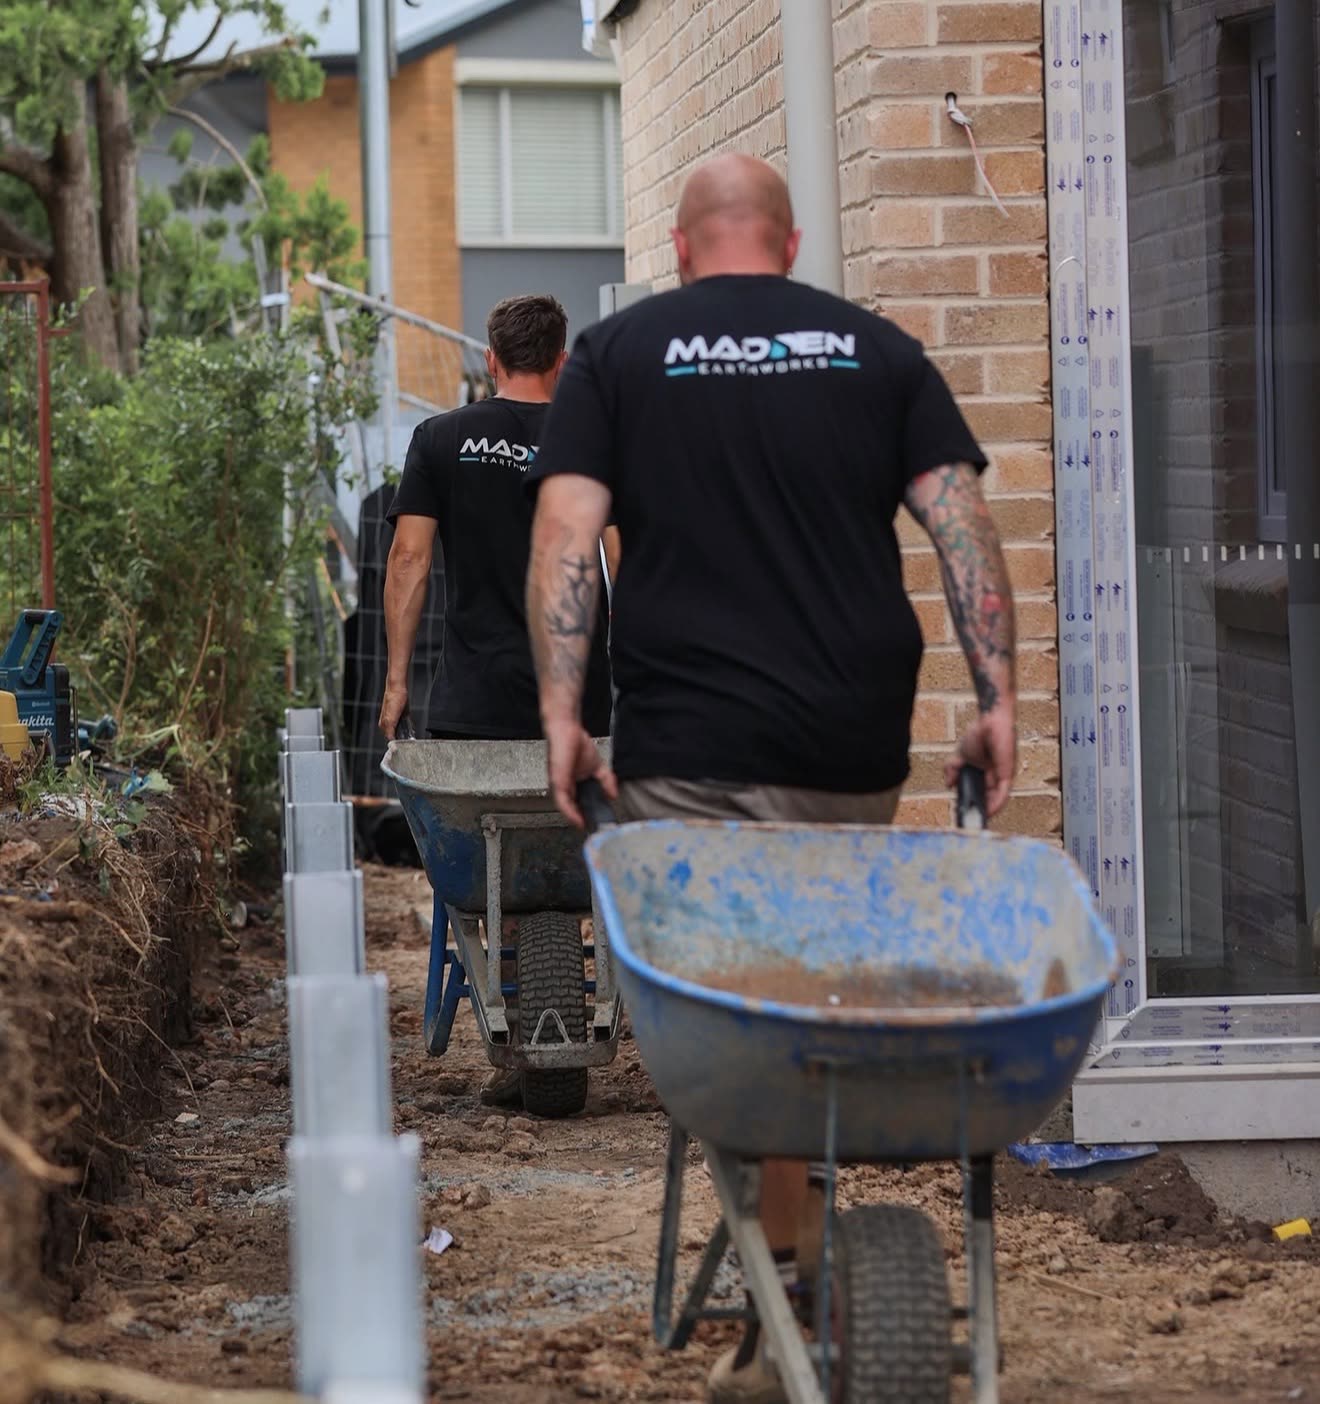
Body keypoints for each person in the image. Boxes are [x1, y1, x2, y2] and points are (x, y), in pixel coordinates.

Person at [525, 154, 1016, 1403]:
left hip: (690, 741)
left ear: (684, 249)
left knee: (738, 1015)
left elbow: (567, 537)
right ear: (789, 243)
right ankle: (792, 1273)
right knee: (803, 990)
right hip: (849, 737)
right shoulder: (879, 351)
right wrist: (1002, 699)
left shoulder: (619, 356)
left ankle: (787, 1284)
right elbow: (960, 522)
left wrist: (564, 714)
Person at [380, 294, 616, 1105]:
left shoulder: (441, 439)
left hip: (476, 702)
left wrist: (395, 680)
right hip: (584, 703)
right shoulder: (593, 439)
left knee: (490, 861)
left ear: (491, 359)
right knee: (573, 848)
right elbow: (632, 556)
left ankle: (515, 1008)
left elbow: (409, 562)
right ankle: (563, 990)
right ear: (562, 361)